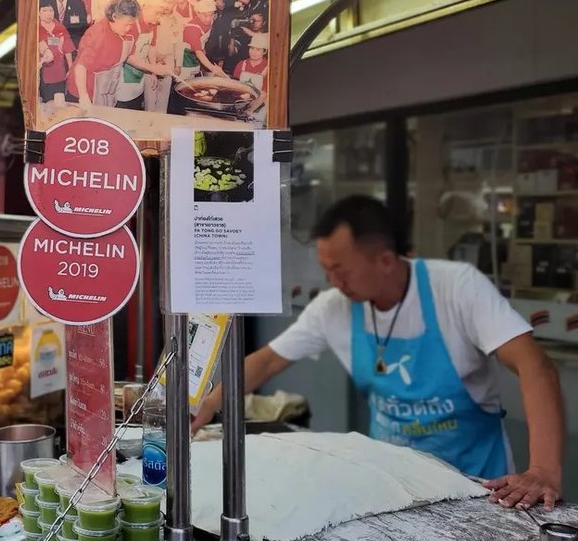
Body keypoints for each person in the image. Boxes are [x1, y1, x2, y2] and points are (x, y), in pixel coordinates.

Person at [192, 196, 565, 510]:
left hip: (479, 485)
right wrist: (209, 403)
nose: (333, 283)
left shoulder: (456, 288)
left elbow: (536, 367)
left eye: (341, 271)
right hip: (394, 483)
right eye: (327, 271)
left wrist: (543, 470)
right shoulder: (334, 307)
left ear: (385, 261)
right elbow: (269, 360)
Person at [65, 0, 138, 107]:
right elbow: (80, 67)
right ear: (115, 17)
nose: (129, 28)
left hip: (104, 89)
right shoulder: (97, 33)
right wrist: (84, 98)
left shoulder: (122, 30)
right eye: (127, 24)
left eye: (131, 24)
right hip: (82, 89)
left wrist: (153, 68)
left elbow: (128, 55)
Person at [115, 0, 177, 111]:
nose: (159, 17)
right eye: (157, 13)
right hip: (123, 79)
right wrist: (152, 68)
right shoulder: (132, 25)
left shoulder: (152, 25)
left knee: (137, 107)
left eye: (161, 14)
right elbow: (127, 55)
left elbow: (151, 48)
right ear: (145, 8)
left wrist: (153, 71)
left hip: (138, 77)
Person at [37, 0, 76, 102]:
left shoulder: (60, 27)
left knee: (60, 102)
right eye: (45, 10)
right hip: (44, 73)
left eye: (51, 10)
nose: (49, 13)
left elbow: (67, 48)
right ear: (38, 12)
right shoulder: (36, 29)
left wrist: (71, 67)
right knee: (47, 102)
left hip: (60, 72)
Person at [179, 0, 224, 79]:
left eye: (211, 15)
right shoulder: (192, 28)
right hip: (184, 60)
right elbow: (199, 53)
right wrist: (213, 68)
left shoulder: (211, 21)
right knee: (184, 85)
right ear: (198, 13)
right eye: (205, 15)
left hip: (196, 58)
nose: (208, 19)